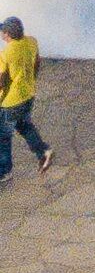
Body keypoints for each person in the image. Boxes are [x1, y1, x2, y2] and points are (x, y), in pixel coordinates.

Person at [0, 16, 50, 177]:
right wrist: (32, 79)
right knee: (24, 126)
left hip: (11, 102)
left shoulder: (6, 53)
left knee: (3, 137)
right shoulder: (31, 41)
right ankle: (44, 152)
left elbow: (1, 80)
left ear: (7, 34)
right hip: (28, 95)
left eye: (2, 31)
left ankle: (4, 171)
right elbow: (37, 61)